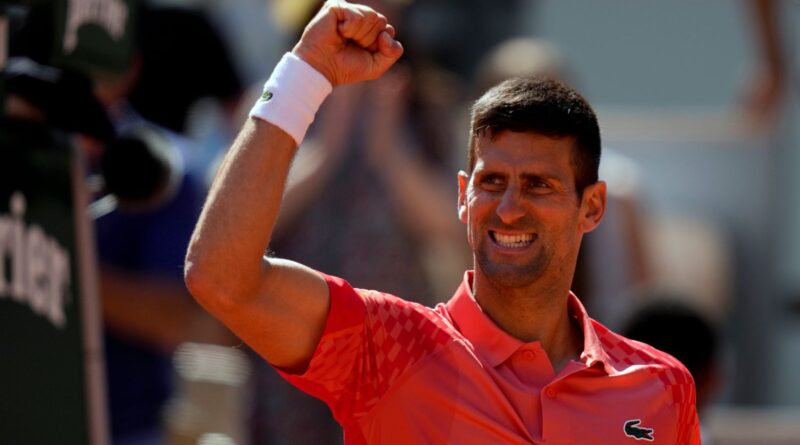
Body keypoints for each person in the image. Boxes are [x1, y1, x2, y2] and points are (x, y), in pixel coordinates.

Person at [185, 1, 701, 443]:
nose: (509, 208)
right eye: (492, 182)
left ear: (592, 207)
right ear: (463, 196)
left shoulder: (660, 385)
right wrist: (304, 72)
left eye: (538, 185)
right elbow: (221, 277)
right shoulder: (387, 346)